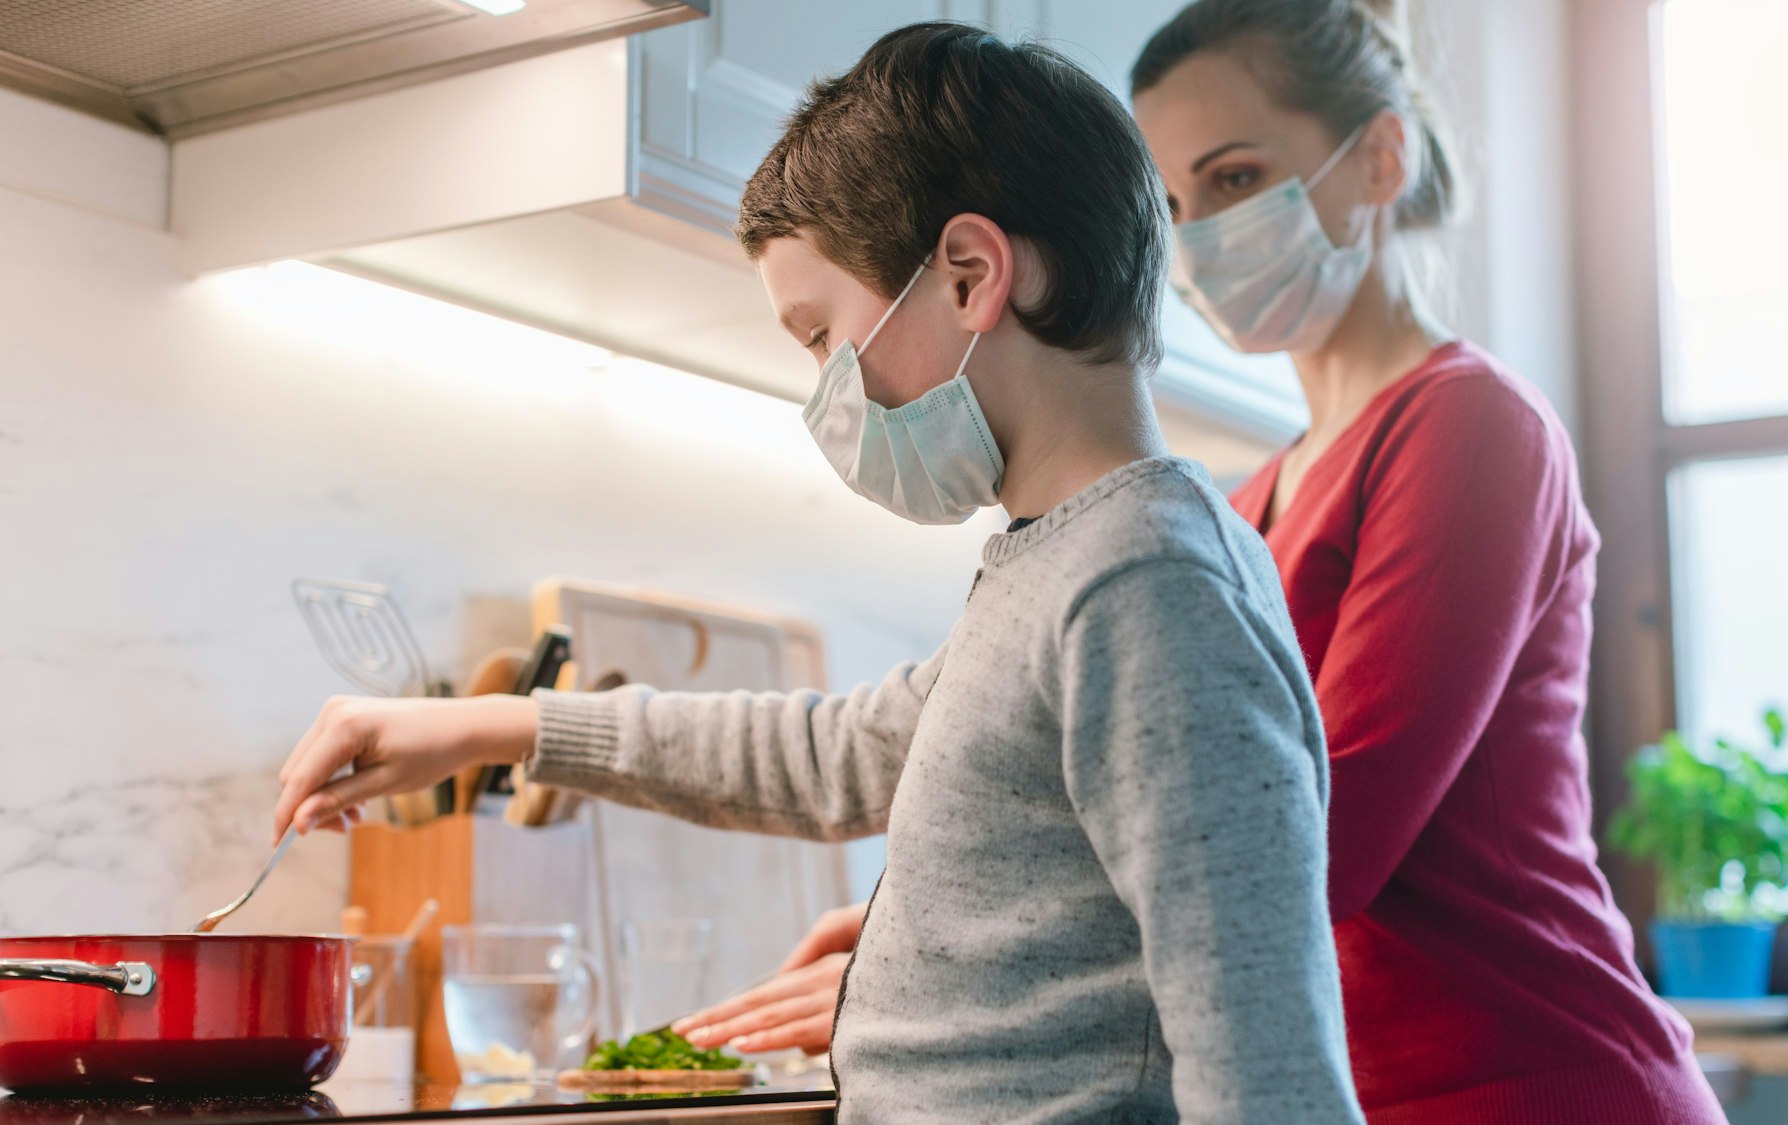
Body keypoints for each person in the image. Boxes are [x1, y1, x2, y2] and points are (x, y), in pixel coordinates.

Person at [272, 21, 1365, 1125]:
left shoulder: (1143, 588)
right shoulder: (1065, 563)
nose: (826, 394)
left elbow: (1263, 1059)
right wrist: (505, 727)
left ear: (971, 275)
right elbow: (837, 755)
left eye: (819, 336)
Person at [685, 2, 1730, 1122]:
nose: (1203, 235)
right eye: (1176, 203)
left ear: (1378, 159)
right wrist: (942, 927)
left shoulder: (1468, 428)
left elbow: (1310, 838)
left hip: (1533, 1080)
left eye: (1234, 180)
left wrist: (973, 967)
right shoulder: (1242, 500)